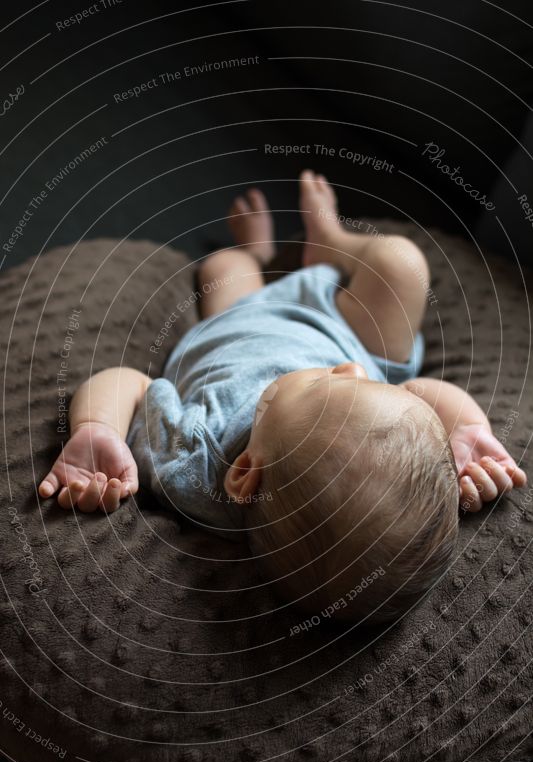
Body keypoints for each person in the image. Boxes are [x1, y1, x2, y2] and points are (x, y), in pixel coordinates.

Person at [39, 171, 527, 623]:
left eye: (325, 383)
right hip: (345, 327)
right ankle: (329, 240)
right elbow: (419, 393)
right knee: (401, 264)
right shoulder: (363, 396)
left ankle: (255, 254)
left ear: (245, 473)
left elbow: (127, 380)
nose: (349, 371)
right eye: (363, 384)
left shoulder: (192, 460)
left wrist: (96, 428)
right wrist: (467, 430)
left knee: (224, 266)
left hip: (235, 324)